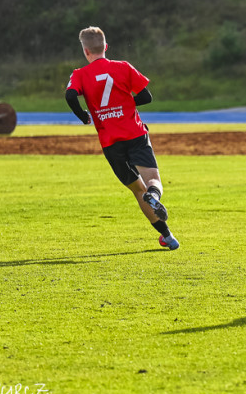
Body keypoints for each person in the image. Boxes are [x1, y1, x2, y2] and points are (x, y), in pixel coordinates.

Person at [65, 26, 180, 249]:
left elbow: (70, 95)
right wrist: (124, 104)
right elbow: (146, 97)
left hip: (111, 142)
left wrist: (84, 116)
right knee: (152, 180)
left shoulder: (80, 74)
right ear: (105, 47)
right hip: (135, 134)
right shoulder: (123, 67)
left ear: (86, 52)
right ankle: (154, 195)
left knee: (138, 189)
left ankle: (167, 236)